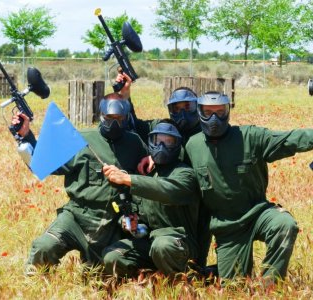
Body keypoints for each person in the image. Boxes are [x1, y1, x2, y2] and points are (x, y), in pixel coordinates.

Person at [184, 91, 313, 283]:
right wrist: (153, 158)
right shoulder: (192, 146)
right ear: (199, 112)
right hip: (227, 227)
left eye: (220, 112)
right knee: (234, 287)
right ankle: (218, 272)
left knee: (284, 225)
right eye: (208, 112)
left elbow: (287, 139)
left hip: (258, 213)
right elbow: (176, 174)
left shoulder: (250, 136)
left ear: (228, 111)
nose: (214, 118)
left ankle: (269, 287)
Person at [13, 93, 148, 274]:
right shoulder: (81, 139)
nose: (114, 123)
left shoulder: (135, 143)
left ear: (126, 118)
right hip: (77, 216)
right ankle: (34, 288)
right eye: (109, 118)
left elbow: (147, 179)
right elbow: (49, 162)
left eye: (119, 118)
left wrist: (151, 159)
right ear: (101, 115)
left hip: (112, 222)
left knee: (100, 277)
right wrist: (26, 135)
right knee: (44, 247)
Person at [117, 72, 213, 272]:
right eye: (176, 109)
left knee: (201, 236)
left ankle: (195, 273)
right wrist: (125, 95)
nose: (182, 113)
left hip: (204, 193)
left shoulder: (208, 132)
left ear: (197, 107)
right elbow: (136, 126)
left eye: (188, 107)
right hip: (170, 193)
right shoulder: (164, 126)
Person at [101, 120, 200, 277]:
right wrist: (129, 223)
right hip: (149, 242)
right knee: (112, 256)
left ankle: (184, 282)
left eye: (168, 142)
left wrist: (128, 179)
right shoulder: (144, 173)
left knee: (162, 246)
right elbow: (134, 211)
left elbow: (164, 189)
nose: (161, 146)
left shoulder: (185, 173)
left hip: (179, 243)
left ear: (177, 145)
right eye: (158, 141)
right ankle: (147, 280)